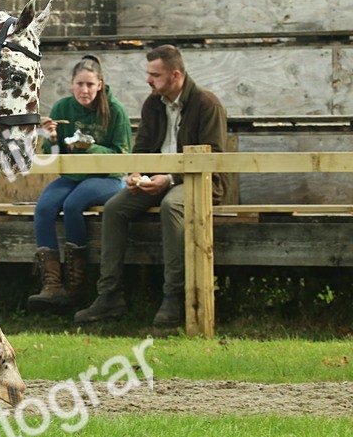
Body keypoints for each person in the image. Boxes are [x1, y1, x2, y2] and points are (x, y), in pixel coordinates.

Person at [74, 45, 228, 328]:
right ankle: (109, 295)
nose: (148, 80)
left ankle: (173, 297)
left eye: (155, 75)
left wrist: (169, 178)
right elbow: (143, 149)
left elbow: (214, 159)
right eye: (149, 74)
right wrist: (136, 174)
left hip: (198, 182)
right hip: (156, 180)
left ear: (176, 75)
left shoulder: (207, 104)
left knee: (171, 206)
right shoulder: (152, 104)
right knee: (114, 208)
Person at [28, 55, 131, 312]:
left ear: (100, 85)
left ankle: (76, 286)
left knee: (73, 204)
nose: (84, 90)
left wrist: (91, 147)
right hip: (72, 176)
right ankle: (52, 285)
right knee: (44, 208)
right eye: (79, 84)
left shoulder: (115, 111)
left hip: (108, 178)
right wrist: (51, 138)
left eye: (90, 85)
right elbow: (54, 156)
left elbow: (123, 155)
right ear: (72, 84)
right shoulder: (62, 108)